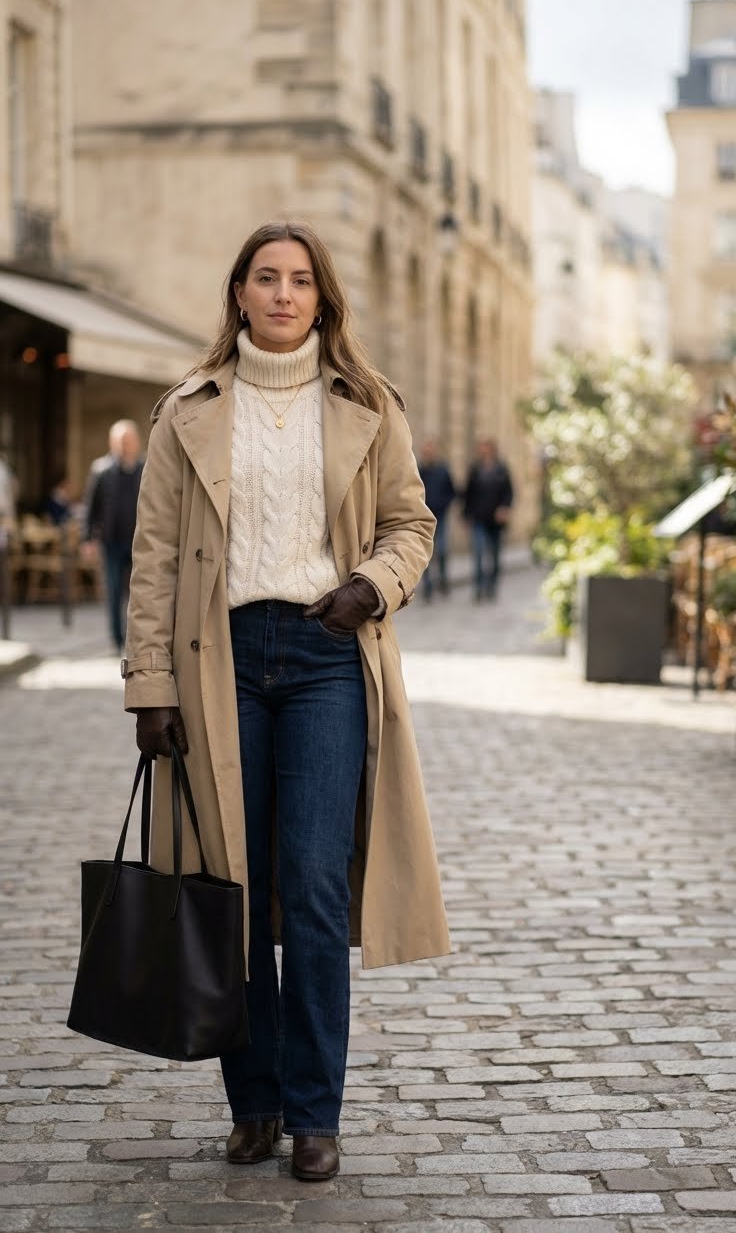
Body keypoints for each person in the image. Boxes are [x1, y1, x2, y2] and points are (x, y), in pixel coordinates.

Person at [122, 221, 450, 1182]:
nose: (281, 293)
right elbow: (151, 559)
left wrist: (371, 587)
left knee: (308, 884)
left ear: (321, 298)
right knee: (234, 890)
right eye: (265, 277)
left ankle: (315, 1112)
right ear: (238, 294)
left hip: (324, 655)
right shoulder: (187, 409)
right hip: (218, 659)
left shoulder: (365, 402)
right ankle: (253, 1102)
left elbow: (410, 523)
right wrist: (151, 686)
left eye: (299, 280)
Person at [83, 420, 144, 652]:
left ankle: (136, 639)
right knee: (113, 591)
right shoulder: (101, 469)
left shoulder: (146, 468)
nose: (125, 446)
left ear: (137, 443)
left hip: (140, 541)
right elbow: (91, 507)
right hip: (110, 542)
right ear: (112, 443)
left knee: (140, 592)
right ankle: (116, 640)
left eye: (128, 441)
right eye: (121, 441)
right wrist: (87, 538)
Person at [463, 438, 514, 600]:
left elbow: (509, 493)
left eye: (486, 448)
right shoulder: (475, 469)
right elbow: (468, 493)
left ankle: (492, 587)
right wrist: (466, 514)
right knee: (478, 553)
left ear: (492, 450)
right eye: (481, 448)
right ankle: (478, 588)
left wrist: (504, 508)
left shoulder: (501, 469)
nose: (483, 451)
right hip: (479, 518)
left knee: (495, 556)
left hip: (496, 521)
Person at [418, 439, 456, 600]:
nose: (428, 454)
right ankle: (427, 586)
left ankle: (442, 581)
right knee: (424, 553)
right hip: (422, 518)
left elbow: (451, 492)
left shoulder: (442, 470)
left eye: (430, 451)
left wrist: (443, 505)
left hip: (440, 517)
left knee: (441, 550)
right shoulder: (418, 470)